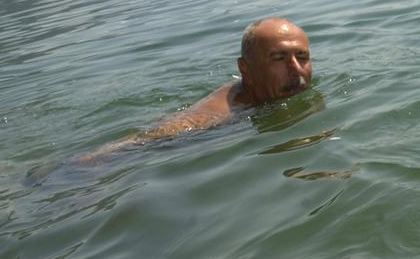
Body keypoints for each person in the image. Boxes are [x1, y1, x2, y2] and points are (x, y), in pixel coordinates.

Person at [76, 17, 312, 162]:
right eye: (279, 58)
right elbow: (139, 145)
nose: (295, 69)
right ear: (245, 69)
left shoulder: (265, 92)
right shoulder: (215, 117)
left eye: (302, 57)